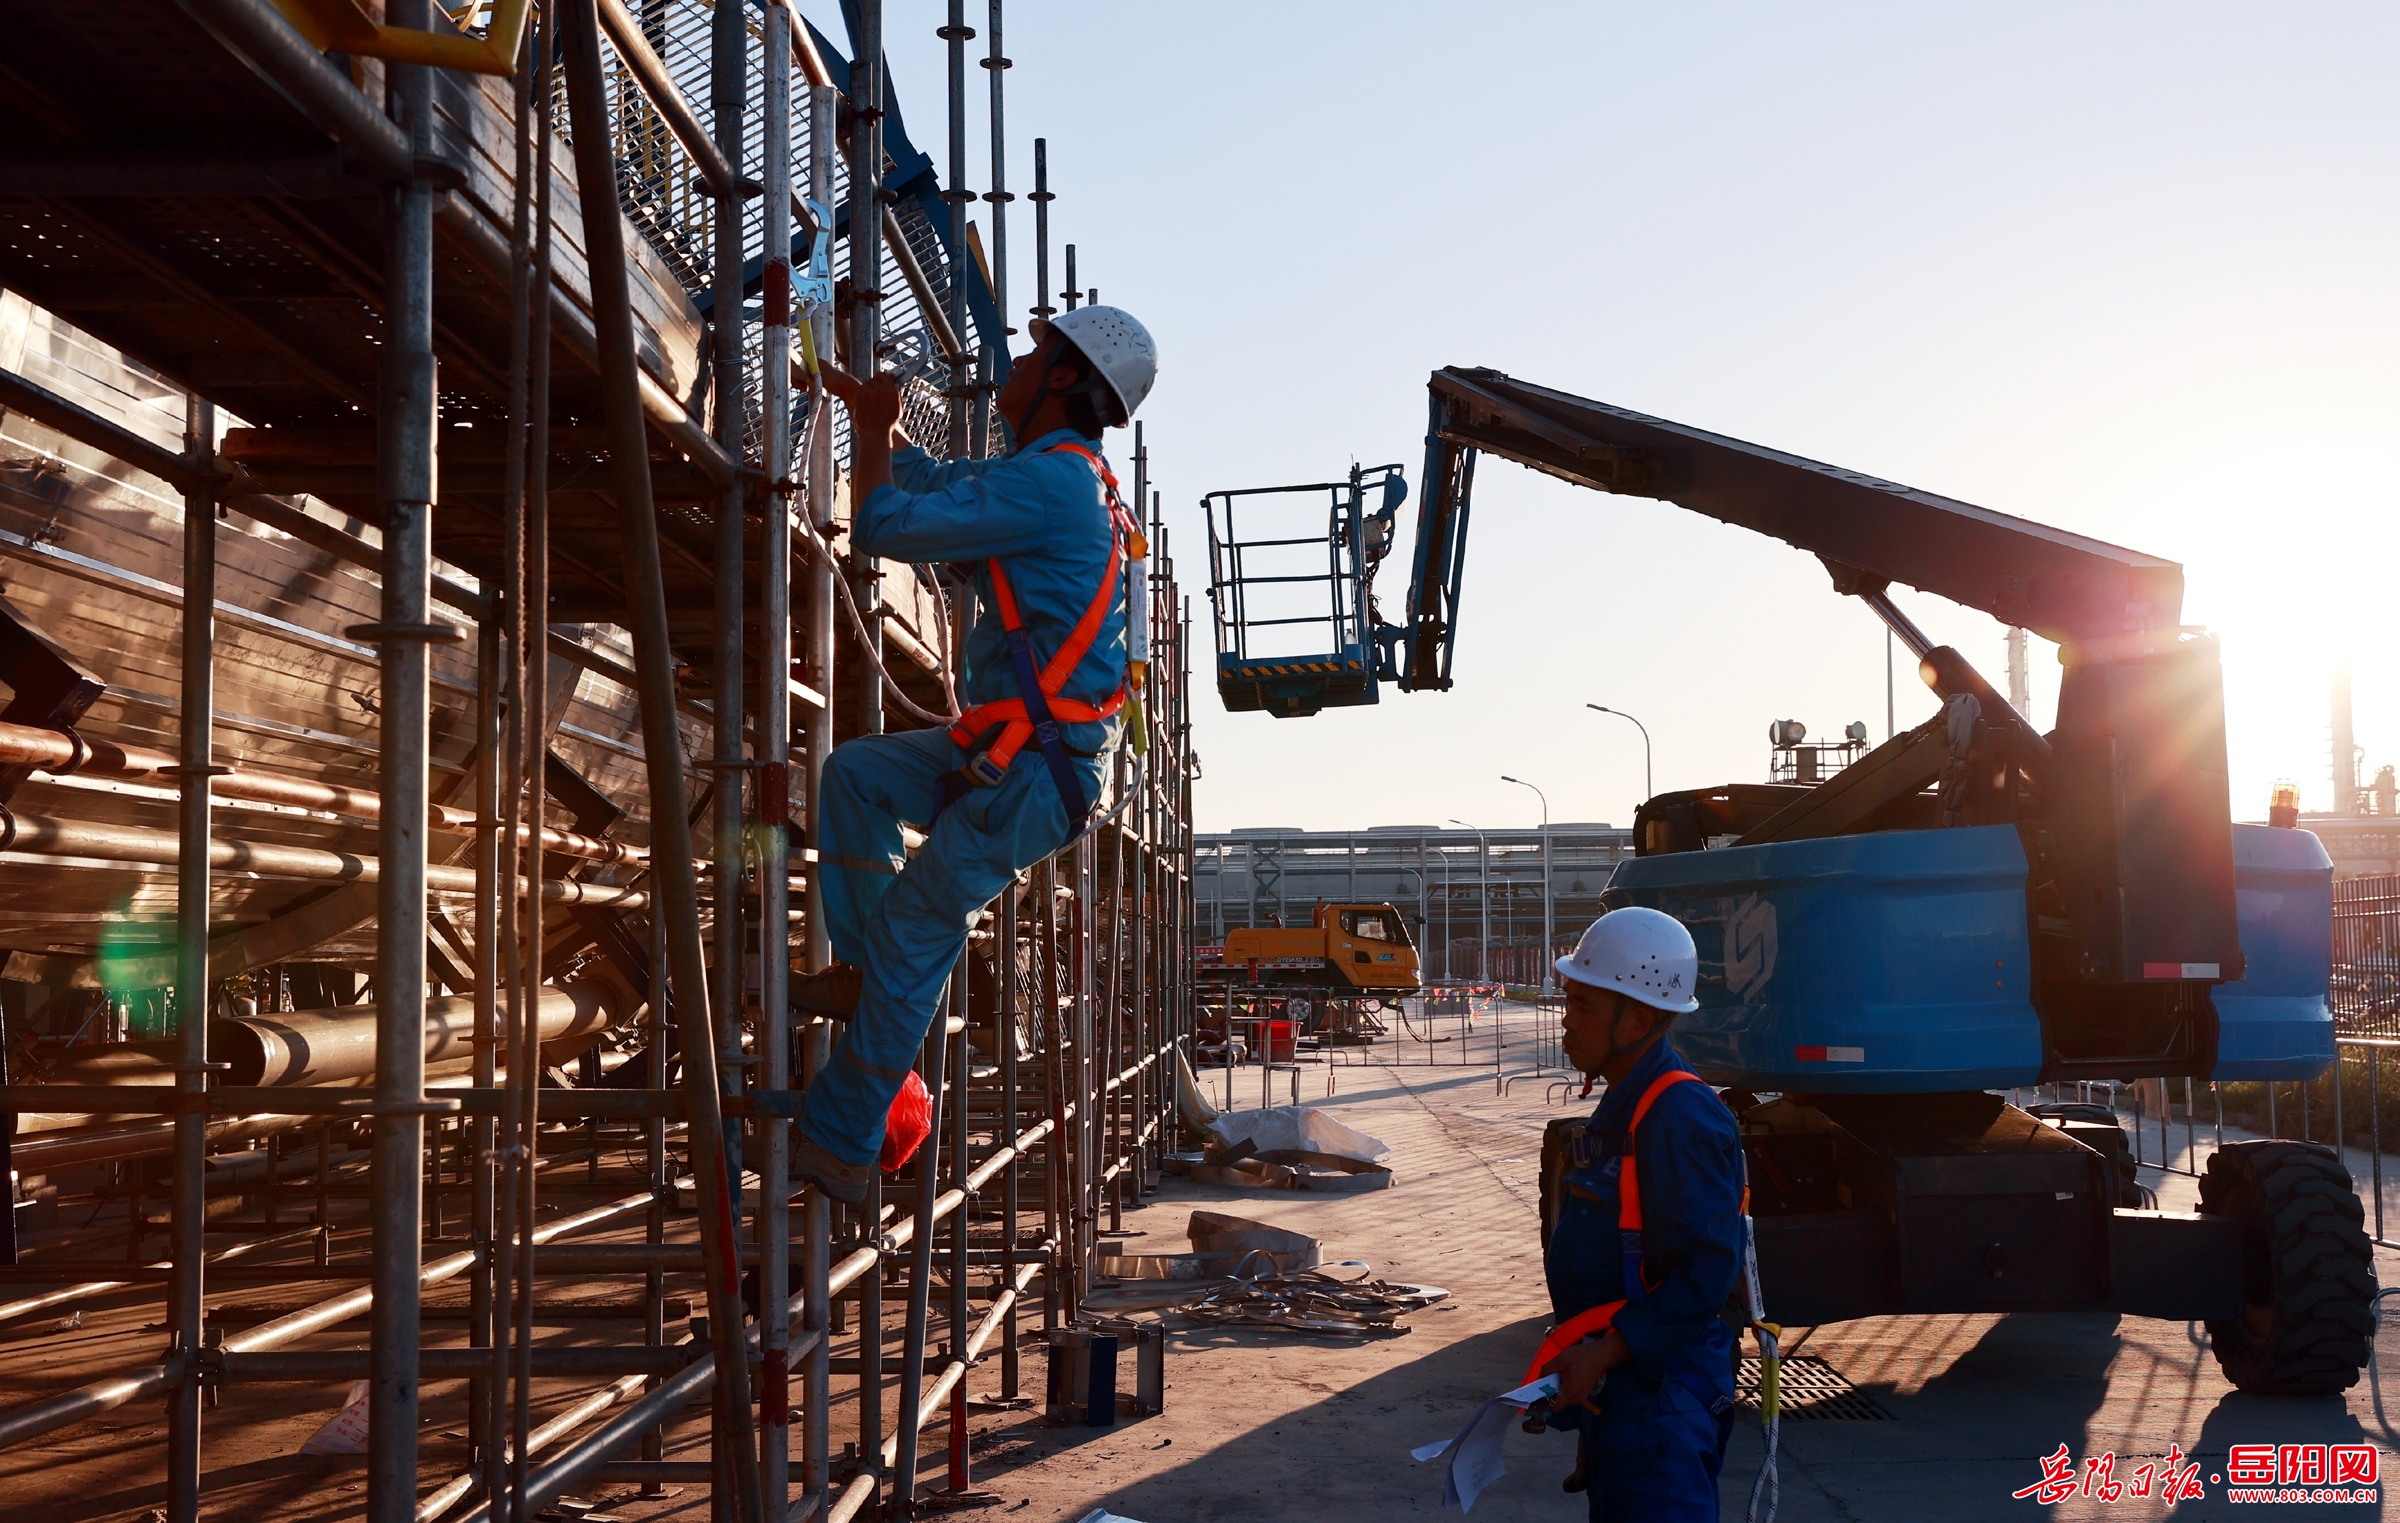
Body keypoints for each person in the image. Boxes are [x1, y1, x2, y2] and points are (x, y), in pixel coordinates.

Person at [783, 305, 1158, 1204]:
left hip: (1035, 768)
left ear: (1068, 379)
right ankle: (876, 977)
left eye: (1036, 354)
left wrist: (870, 429)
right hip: (1018, 751)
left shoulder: (1057, 488)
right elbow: (930, 483)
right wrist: (870, 419)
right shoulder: (1054, 476)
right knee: (857, 777)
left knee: (924, 923)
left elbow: (880, 525)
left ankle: (843, 1135)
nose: (1015, 366)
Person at [1538, 906, 1745, 1522]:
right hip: (1625, 1402)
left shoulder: (1679, 1117)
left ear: (1642, 1018)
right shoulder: (1624, 1103)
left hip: (1665, 1406)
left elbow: (1705, 1274)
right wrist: (1591, 1425)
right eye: (1568, 1002)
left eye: (1585, 1006)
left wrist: (1600, 1360)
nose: (1567, 1023)